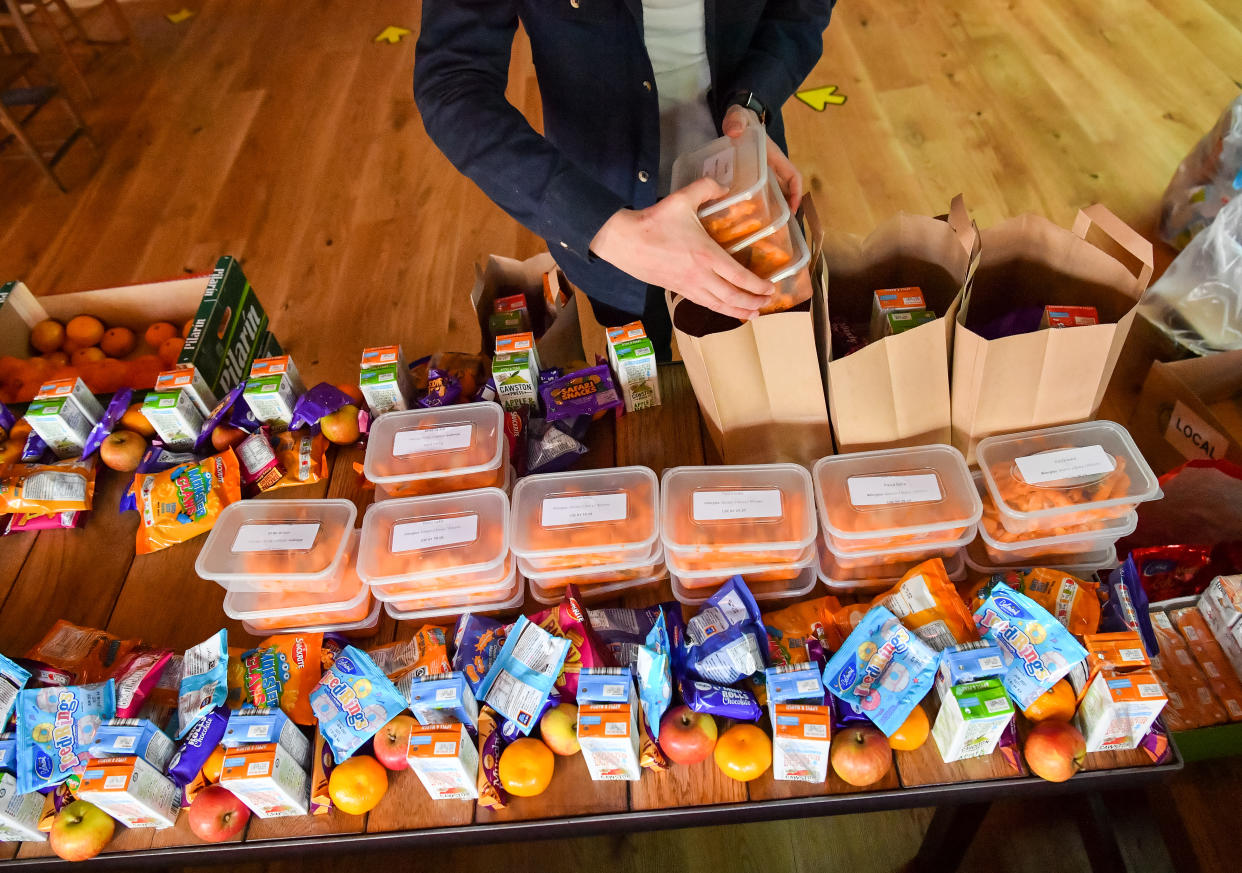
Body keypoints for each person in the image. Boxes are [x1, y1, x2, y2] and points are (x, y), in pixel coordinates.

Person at [414, 0, 835, 357]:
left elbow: (803, 7)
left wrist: (751, 101)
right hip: (605, 211)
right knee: (645, 383)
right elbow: (453, 79)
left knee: (774, 366)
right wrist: (605, 229)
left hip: (750, 192)